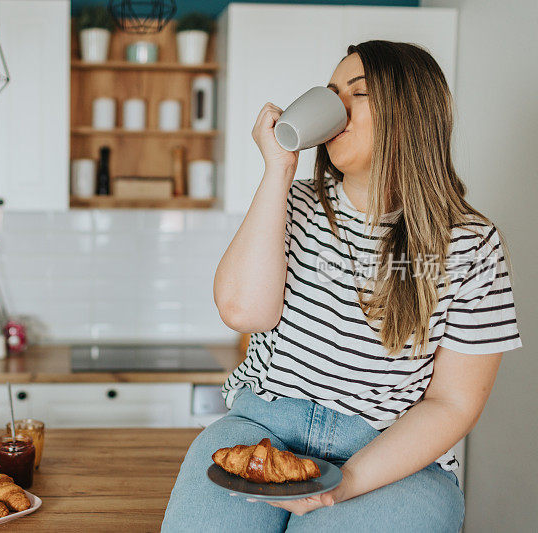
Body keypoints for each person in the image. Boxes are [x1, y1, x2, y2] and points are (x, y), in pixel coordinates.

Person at [162, 40, 522, 533]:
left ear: (410, 113)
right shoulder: (292, 202)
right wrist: (278, 171)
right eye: (331, 93)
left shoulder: (472, 245)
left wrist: (348, 481)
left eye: (358, 92)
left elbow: (453, 404)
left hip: (389, 459)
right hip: (262, 427)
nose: (336, 107)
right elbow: (243, 311)